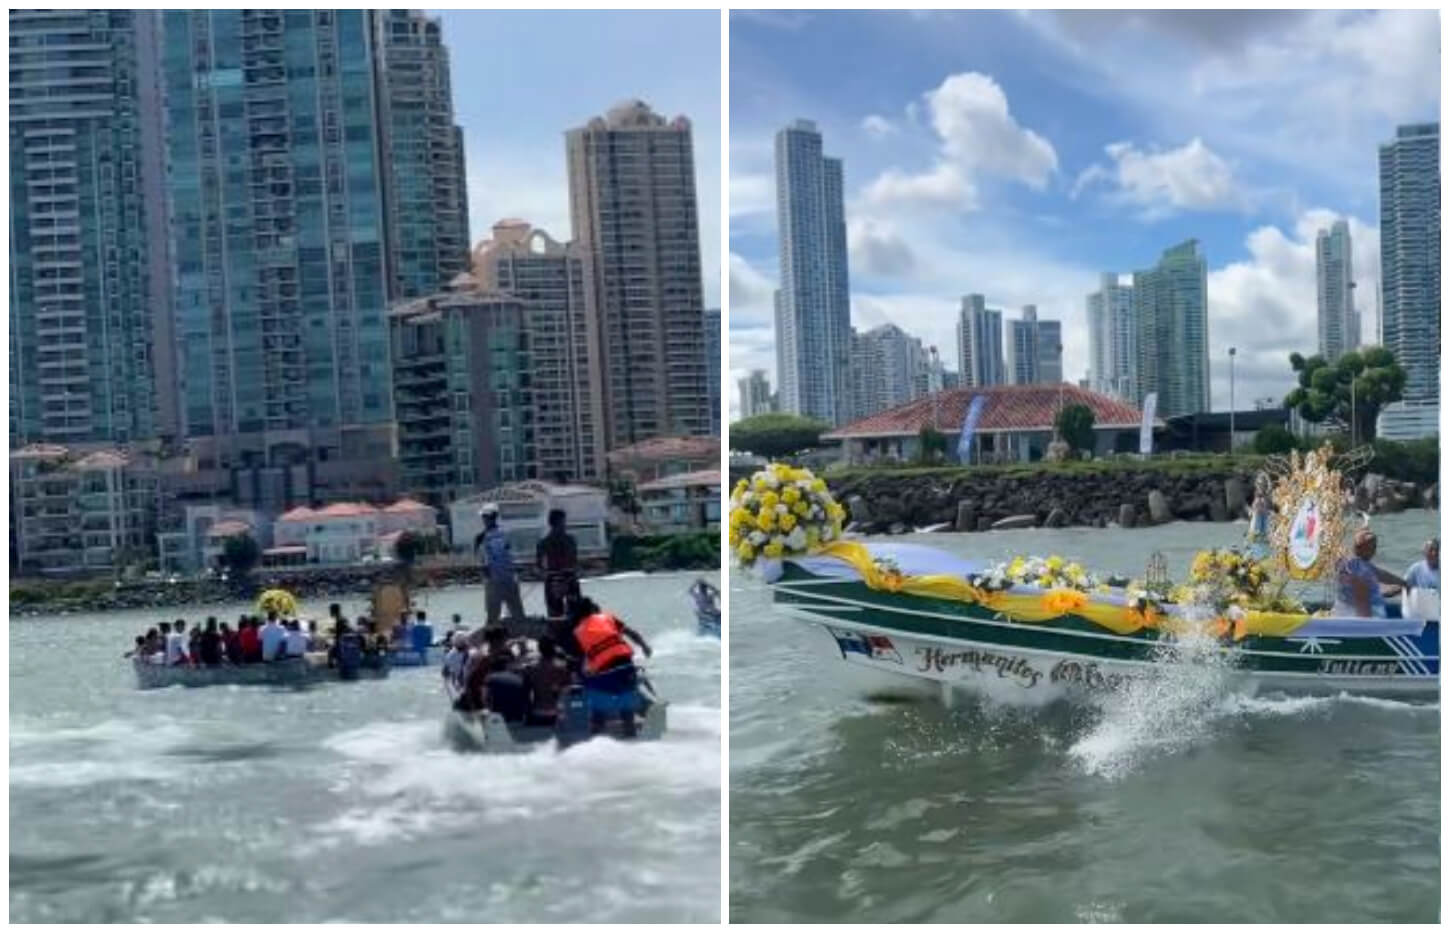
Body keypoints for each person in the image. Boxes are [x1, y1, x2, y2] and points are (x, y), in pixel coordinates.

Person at [570, 597, 652, 736]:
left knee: (598, 707)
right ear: (592, 609)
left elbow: (580, 660)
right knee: (626, 707)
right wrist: (644, 646)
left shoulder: (578, 632)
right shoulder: (608, 618)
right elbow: (631, 633)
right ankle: (631, 736)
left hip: (606, 673)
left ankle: (594, 742)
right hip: (626, 666)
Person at [1335, 528, 1406, 618]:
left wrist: (1402, 583)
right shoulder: (1353, 564)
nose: (1374, 551)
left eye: (1374, 547)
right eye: (1372, 548)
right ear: (1360, 548)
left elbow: (1382, 575)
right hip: (1360, 615)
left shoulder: (1364, 565)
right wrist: (1401, 585)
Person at [474, 504, 526, 625]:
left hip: (493, 582)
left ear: (487, 518)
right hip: (510, 579)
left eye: (484, 517)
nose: (483, 520)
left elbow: (479, 561)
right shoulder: (506, 534)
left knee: (492, 617)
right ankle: (522, 641)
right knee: (518, 615)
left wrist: (486, 575)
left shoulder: (480, 538)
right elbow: (512, 556)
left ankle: (492, 641)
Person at [537, 508, 580, 619]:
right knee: (575, 614)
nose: (565, 524)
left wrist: (543, 572)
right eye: (564, 521)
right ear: (560, 522)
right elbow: (575, 560)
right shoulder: (570, 540)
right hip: (569, 578)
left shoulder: (543, 542)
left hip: (553, 579)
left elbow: (539, 565)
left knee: (555, 616)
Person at [524, 635, 574, 725]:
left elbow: (525, 697)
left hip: (537, 714)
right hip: (557, 715)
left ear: (539, 649)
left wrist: (528, 718)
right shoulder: (562, 668)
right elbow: (569, 694)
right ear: (554, 649)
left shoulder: (531, 669)